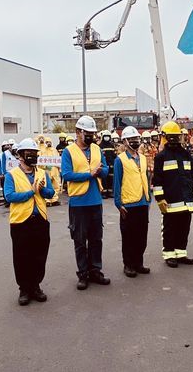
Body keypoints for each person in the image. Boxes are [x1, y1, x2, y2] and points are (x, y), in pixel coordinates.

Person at [61, 115, 110, 290]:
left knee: (96, 239)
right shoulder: (69, 151)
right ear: (78, 132)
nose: (91, 136)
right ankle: (83, 274)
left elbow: (105, 169)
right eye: (87, 133)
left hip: (95, 201)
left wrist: (101, 172)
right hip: (78, 203)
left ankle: (95, 270)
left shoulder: (97, 149)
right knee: (80, 240)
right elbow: (66, 175)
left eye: (92, 133)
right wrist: (89, 174)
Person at [4, 138, 55, 306]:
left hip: (40, 220)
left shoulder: (41, 173)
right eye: (29, 154)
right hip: (21, 222)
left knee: (40, 255)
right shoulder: (11, 175)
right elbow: (9, 196)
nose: (33, 157)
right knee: (21, 256)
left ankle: (36, 286)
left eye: (35, 154)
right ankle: (24, 289)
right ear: (20, 155)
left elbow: (50, 193)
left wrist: (42, 190)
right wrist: (30, 192)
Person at [152, 121, 193, 268]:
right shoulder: (161, 157)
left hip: (186, 200)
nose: (173, 140)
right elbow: (157, 179)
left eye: (175, 137)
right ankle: (170, 254)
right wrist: (160, 198)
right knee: (170, 228)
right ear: (164, 137)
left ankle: (181, 253)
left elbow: (192, 175)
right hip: (170, 200)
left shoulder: (185, 154)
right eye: (170, 137)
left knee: (184, 228)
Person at [113, 126, 151, 278]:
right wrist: (118, 203)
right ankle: (128, 264)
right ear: (125, 142)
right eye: (132, 139)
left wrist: (148, 199)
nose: (135, 142)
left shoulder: (142, 158)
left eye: (137, 139)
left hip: (142, 202)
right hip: (128, 204)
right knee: (129, 237)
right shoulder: (120, 160)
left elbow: (146, 178)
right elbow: (117, 182)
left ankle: (138, 263)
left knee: (142, 236)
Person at [41, 137, 61, 206]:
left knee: (56, 185)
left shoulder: (55, 150)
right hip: (47, 170)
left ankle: (54, 199)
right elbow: (40, 161)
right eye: (47, 142)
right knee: (47, 185)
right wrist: (44, 166)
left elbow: (58, 160)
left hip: (55, 170)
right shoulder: (43, 151)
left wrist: (59, 168)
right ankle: (47, 200)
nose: (48, 143)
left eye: (49, 142)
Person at [99, 130, 116, 199]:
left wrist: (114, 162)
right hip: (104, 165)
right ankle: (104, 193)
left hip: (111, 164)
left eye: (108, 136)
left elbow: (114, 155)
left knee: (111, 178)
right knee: (104, 179)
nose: (107, 138)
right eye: (105, 137)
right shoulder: (100, 145)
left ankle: (110, 192)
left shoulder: (112, 145)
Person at [0, 140, 11, 207]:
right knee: (4, 188)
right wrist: (0, 173)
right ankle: (6, 201)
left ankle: (9, 200)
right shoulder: (0, 155)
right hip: (3, 175)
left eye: (7, 146)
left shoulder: (10, 155)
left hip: (9, 174)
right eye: (4, 146)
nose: (6, 147)